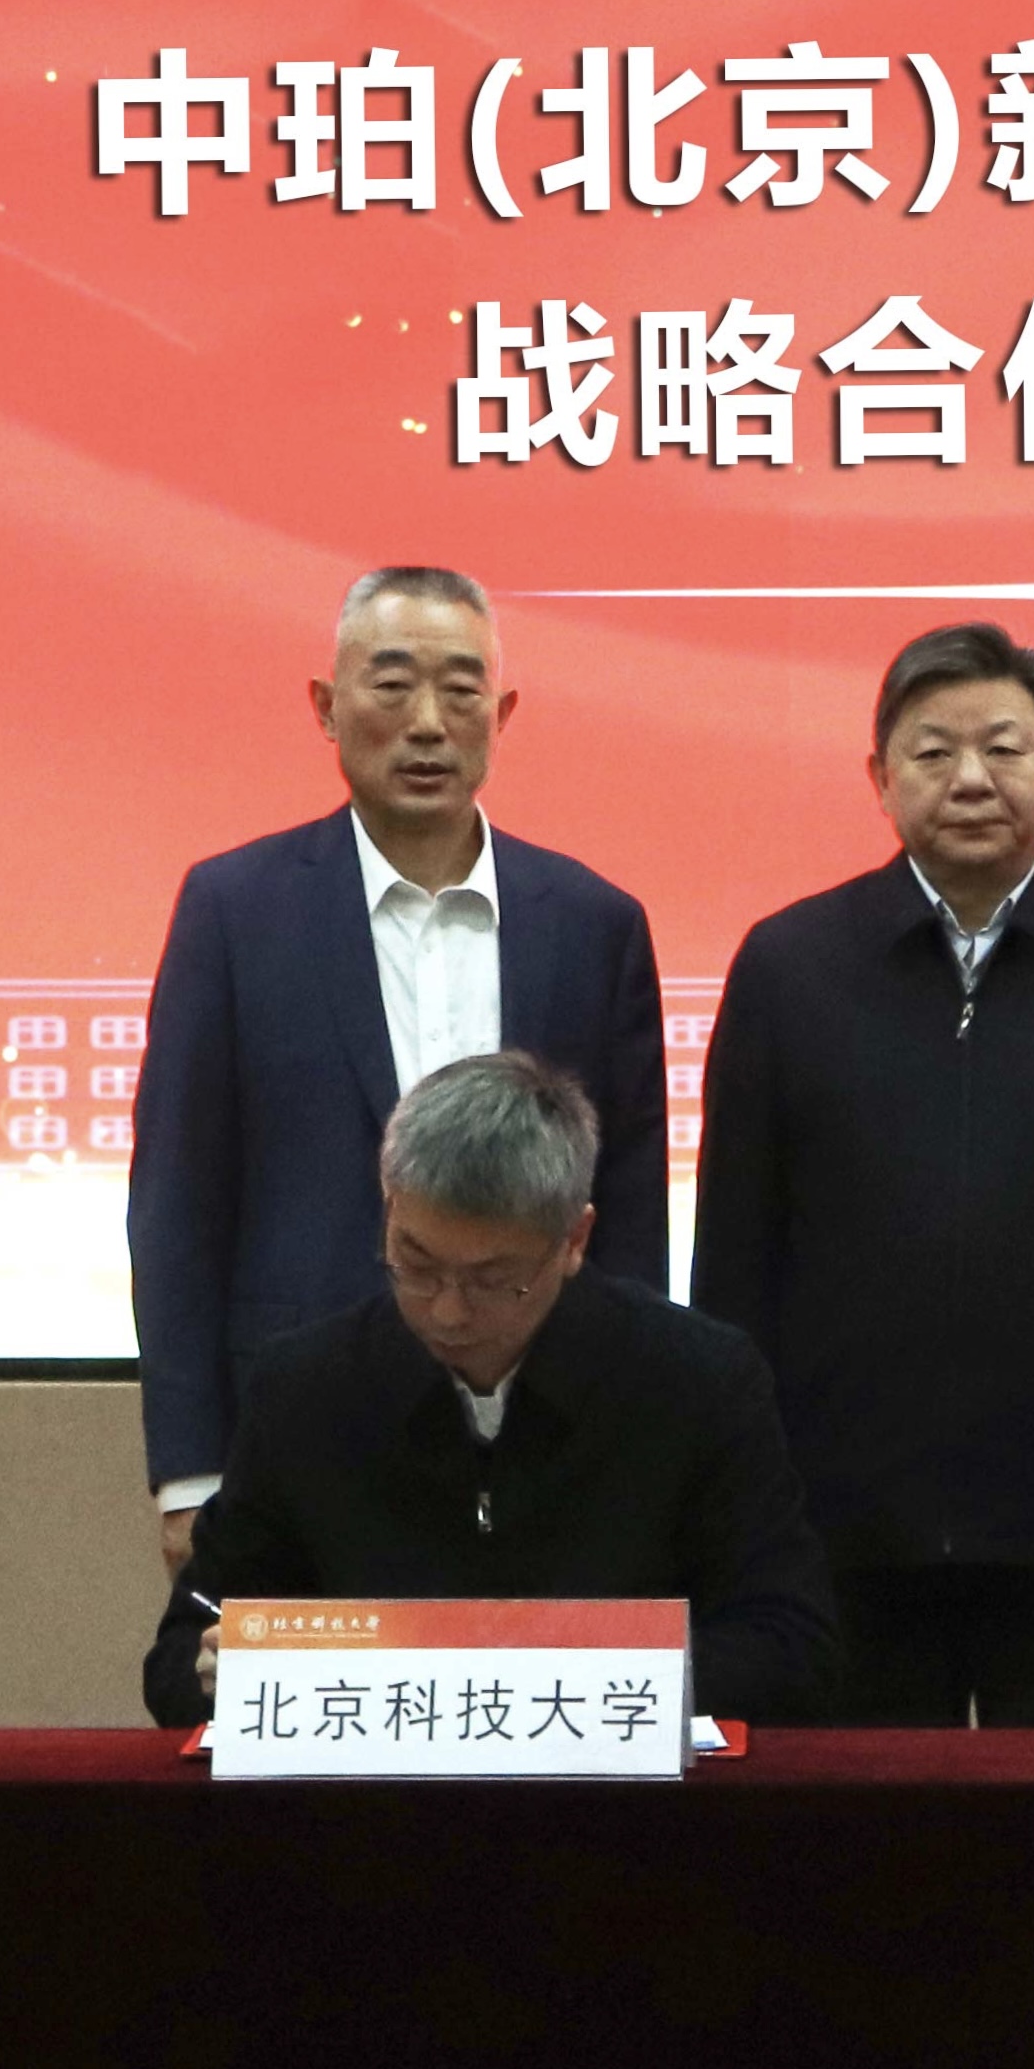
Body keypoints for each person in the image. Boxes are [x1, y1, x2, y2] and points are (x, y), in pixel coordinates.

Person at [694, 624, 1034, 1729]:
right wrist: (735, 1513)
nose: (970, 779)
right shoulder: (789, 966)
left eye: (1004, 747)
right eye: (933, 751)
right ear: (879, 777)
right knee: (863, 1829)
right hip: (840, 1532)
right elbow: (735, 1265)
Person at [127, 567, 669, 1590]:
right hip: (303, 1432)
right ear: (325, 707)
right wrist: (191, 1472)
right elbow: (178, 1204)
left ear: (502, 715)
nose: (427, 723)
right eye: (391, 685)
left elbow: (629, 1206)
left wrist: (638, 1438)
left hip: (549, 1432)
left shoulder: (592, 922)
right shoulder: (235, 911)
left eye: (461, 691)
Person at [142, 1052, 835, 1728]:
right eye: (416, 1264)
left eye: (494, 1279)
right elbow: (179, 1657)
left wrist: (554, 1681)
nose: (448, 1312)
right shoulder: (304, 1391)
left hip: (613, 1790)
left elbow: (791, 1645)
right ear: (388, 1210)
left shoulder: (697, 1383)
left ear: (575, 1240)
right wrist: (229, 1674)